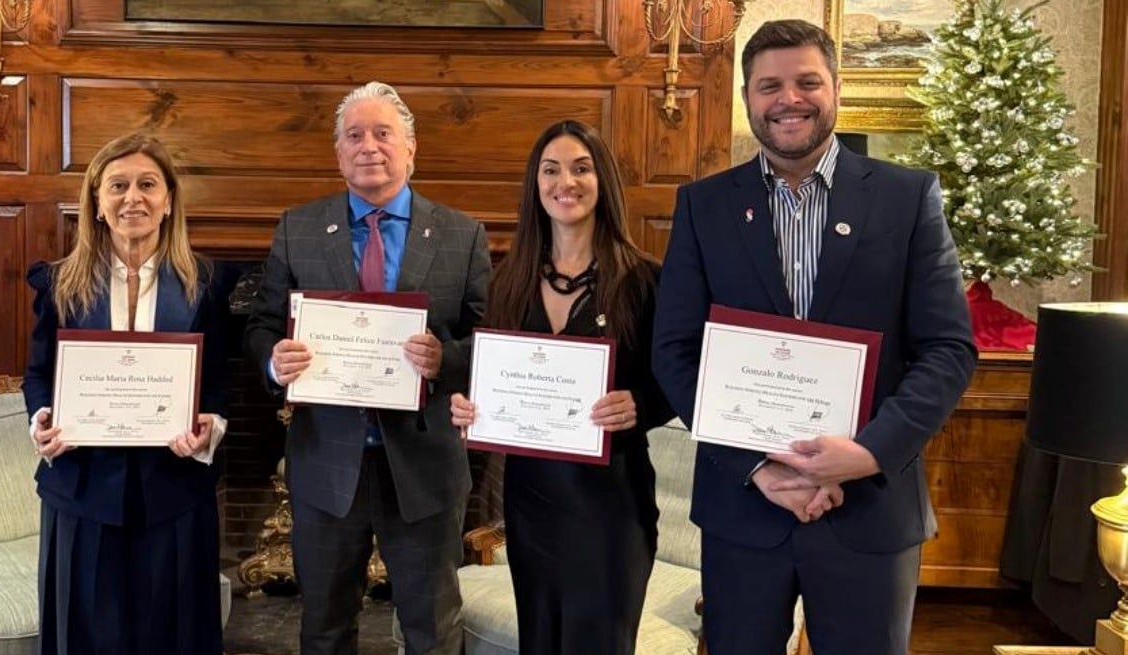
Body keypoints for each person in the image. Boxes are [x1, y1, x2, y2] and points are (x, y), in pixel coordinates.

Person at [651, 20, 978, 655]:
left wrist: (870, 452)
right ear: (748, 96)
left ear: (835, 87)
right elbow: (675, 350)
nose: (788, 99)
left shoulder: (908, 198)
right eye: (769, 85)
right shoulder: (704, 205)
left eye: (807, 81)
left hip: (871, 508)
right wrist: (758, 467)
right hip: (746, 506)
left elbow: (948, 348)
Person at [243, 81, 490, 655]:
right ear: (338, 153)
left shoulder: (461, 234)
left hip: (425, 469)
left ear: (411, 149)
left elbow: (487, 340)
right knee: (324, 630)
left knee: (432, 631)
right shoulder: (298, 228)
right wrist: (274, 361)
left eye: (383, 133)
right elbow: (260, 326)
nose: (368, 146)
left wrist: (444, 358)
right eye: (354, 135)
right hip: (327, 466)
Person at [449, 119, 675, 654]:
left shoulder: (644, 279)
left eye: (581, 168)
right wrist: (471, 407)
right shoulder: (509, 280)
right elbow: (491, 374)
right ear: (535, 184)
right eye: (551, 170)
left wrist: (641, 405)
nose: (565, 182)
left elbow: (677, 379)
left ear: (603, 182)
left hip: (611, 506)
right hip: (532, 504)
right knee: (542, 642)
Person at [23, 132, 232, 655]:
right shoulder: (61, 284)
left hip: (175, 490)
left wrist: (210, 428)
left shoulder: (206, 283)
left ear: (167, 202)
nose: (132, 198)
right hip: (82, 489)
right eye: (117, 186)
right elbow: (38, 374)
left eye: (147, 185)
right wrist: (42, 421)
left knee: (176, 634)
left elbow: (220, 381)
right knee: (84, 636)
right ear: (96, 202)